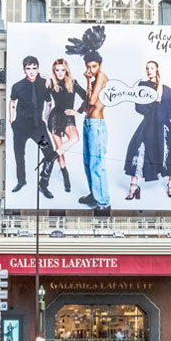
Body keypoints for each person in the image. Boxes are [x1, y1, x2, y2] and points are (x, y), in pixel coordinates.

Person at [123, 60, 171, 200]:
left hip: (163, 125)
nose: (149, 70)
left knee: (170, 152)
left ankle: (170, 184)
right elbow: (139, 106)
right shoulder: (143, 86)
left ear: (157, 69)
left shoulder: (165, 88)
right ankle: (133, 187)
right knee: (138, 150)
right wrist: (154, 98)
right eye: (147, 68)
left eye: (151, 68)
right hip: (149, 123)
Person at [65, 26, 110, 210]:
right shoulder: (94, 77)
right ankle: (94, 194)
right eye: (88, 66)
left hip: (97, 125)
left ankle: (103, 201)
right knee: (87, 162)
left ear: (99, 65)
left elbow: (92, 100)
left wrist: (88, 80)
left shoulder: (100, 76)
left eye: (93, 66)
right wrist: (76, 111)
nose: (90, 69)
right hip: (88, 124)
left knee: (96, 163)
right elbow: (86, 104)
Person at [9, 56, 56, 198]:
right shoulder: (17, 86)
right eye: (28, 68)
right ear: (24, 70)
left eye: (34, 68)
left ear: (38, 69)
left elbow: (49, 102)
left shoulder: (44, 83)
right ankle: (21, 181)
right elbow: (12, 102)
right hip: (21, 127)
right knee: (19, 155)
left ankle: (43, 184)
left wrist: (45, 118)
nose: (31, 72)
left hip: (37, 128)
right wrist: (12, 121)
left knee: (50, 154)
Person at [47, 58, 86, 192]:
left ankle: (50, 158)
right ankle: (65, 174)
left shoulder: (73, 83)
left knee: (75, 138)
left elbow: (87, 97)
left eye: (62, 70)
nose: (60, 73)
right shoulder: (52, 83)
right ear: (54, 71)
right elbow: (41, 95)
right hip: (54, 118)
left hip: (68, 117)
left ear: (66, 70)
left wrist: (78, 111)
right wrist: (44, 78)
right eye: (57, 70)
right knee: (60, 151)